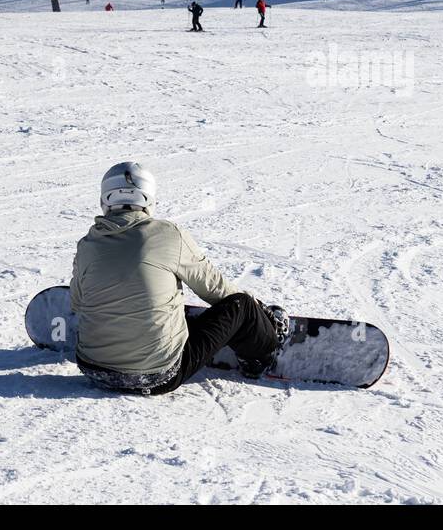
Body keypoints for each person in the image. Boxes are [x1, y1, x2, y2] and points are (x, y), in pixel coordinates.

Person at [71, 163, 290, 394]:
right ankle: (262, 353)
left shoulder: (88, 244)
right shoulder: (167, 234)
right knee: (241, 306)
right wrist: (258, 311)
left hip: (93, 369)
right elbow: (216, 290)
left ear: (104, 200)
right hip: (158, 375)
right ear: (149, 200)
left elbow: (77, 302)